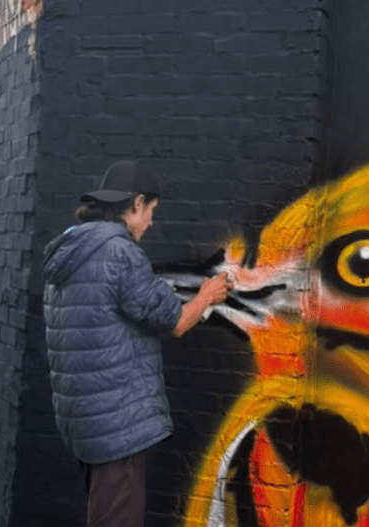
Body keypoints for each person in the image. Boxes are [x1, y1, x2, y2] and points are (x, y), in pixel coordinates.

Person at [42, 160, 231, 527]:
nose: (151, 222)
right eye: (151, 212)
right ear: (136, 204)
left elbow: (107, 311)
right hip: (118, 426)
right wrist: (208, 294)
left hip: (85, 420)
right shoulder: (121, 253)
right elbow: (175, 323)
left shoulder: (72, 249)